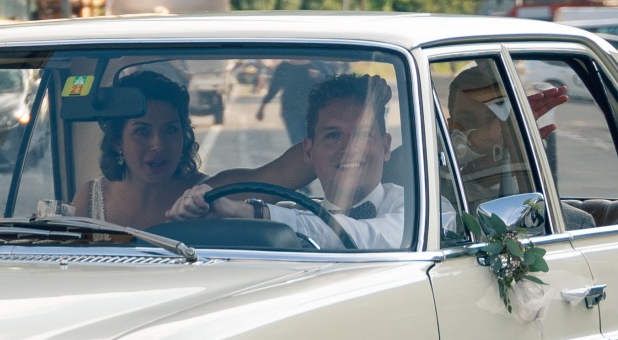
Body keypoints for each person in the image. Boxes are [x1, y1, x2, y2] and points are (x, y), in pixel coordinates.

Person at [175, 71, 412, 249]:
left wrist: (250, 212)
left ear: (386, 146)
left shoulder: (422, 211)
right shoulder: (292, 215)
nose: (350, 148)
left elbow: (369, 236)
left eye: (363, 134)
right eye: (333, 135)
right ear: (308, 151)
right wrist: (199, 209)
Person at [61, 68, 203, 230]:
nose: (159, 145)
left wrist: (231, 208)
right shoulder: (91, 199)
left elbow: (238, 181)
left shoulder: (206, 193)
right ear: (117, 141)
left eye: (170, 130)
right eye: (142, 131)